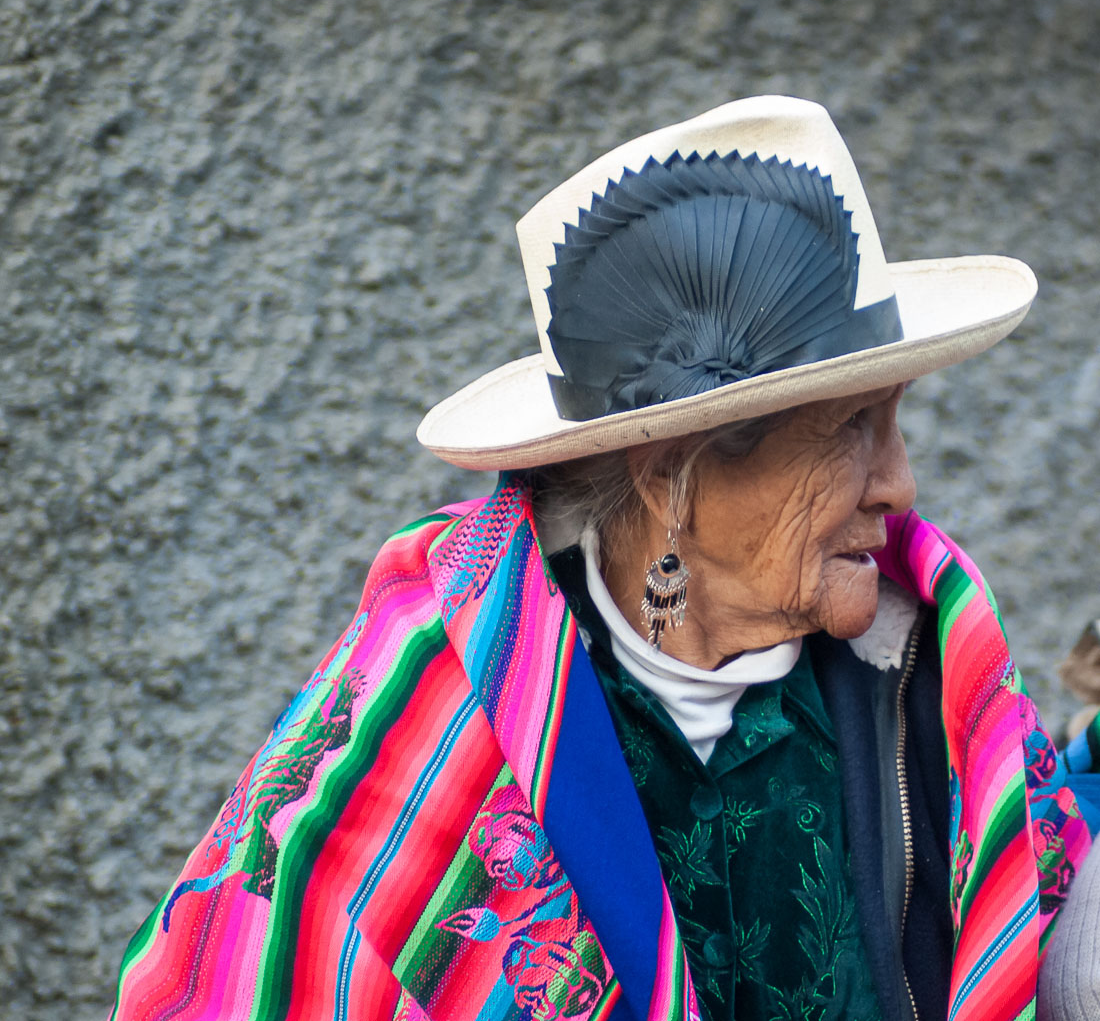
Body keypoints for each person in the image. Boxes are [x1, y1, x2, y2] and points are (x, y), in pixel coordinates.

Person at [109, 97, 1099, 1021]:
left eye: (894, 424)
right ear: (673, 474)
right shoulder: (427, 709)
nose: (899, 484)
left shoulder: (936, 679)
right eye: (848, 430)